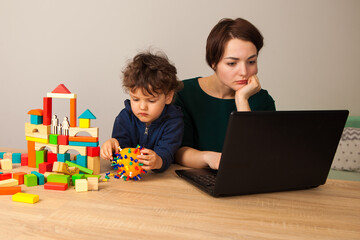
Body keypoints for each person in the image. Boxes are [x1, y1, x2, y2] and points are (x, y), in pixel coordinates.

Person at [174, 18, 276, 170]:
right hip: (194, 182)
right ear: (213, 62)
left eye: (251, 62)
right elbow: (178, 151)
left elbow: (255, 156)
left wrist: (242, 100)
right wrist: (209, 158)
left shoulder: (262, 101)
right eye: (232, 63)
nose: (244, 72)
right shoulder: (183, 93)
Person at [100, 51, 184, 173]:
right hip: (128, 179)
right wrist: (113, 146)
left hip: (159, 181)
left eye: (151, 100)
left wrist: (158, 161)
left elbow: (167, 153)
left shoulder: (173, 121)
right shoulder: (125, 117)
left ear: (168, 97)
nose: (142, 107)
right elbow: (120, 151)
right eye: (135, 99)